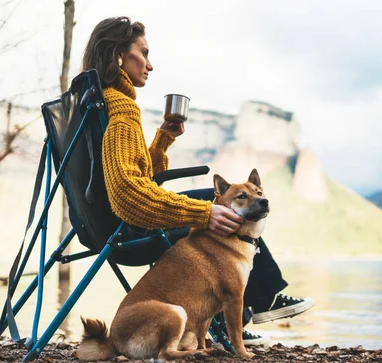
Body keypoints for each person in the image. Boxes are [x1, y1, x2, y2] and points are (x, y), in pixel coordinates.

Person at [81, 16, 315, 345]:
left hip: (102, 225)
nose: (150, 65)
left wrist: (162, 139)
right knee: (224, 203)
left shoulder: (100, 103)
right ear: (118, 55)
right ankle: (258, 303)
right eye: (143, 53)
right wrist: (203, 213)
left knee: (223, 201)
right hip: (127, 229)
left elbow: (140, 176)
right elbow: (129, 194)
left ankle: (241, 311)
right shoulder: (121, 111)